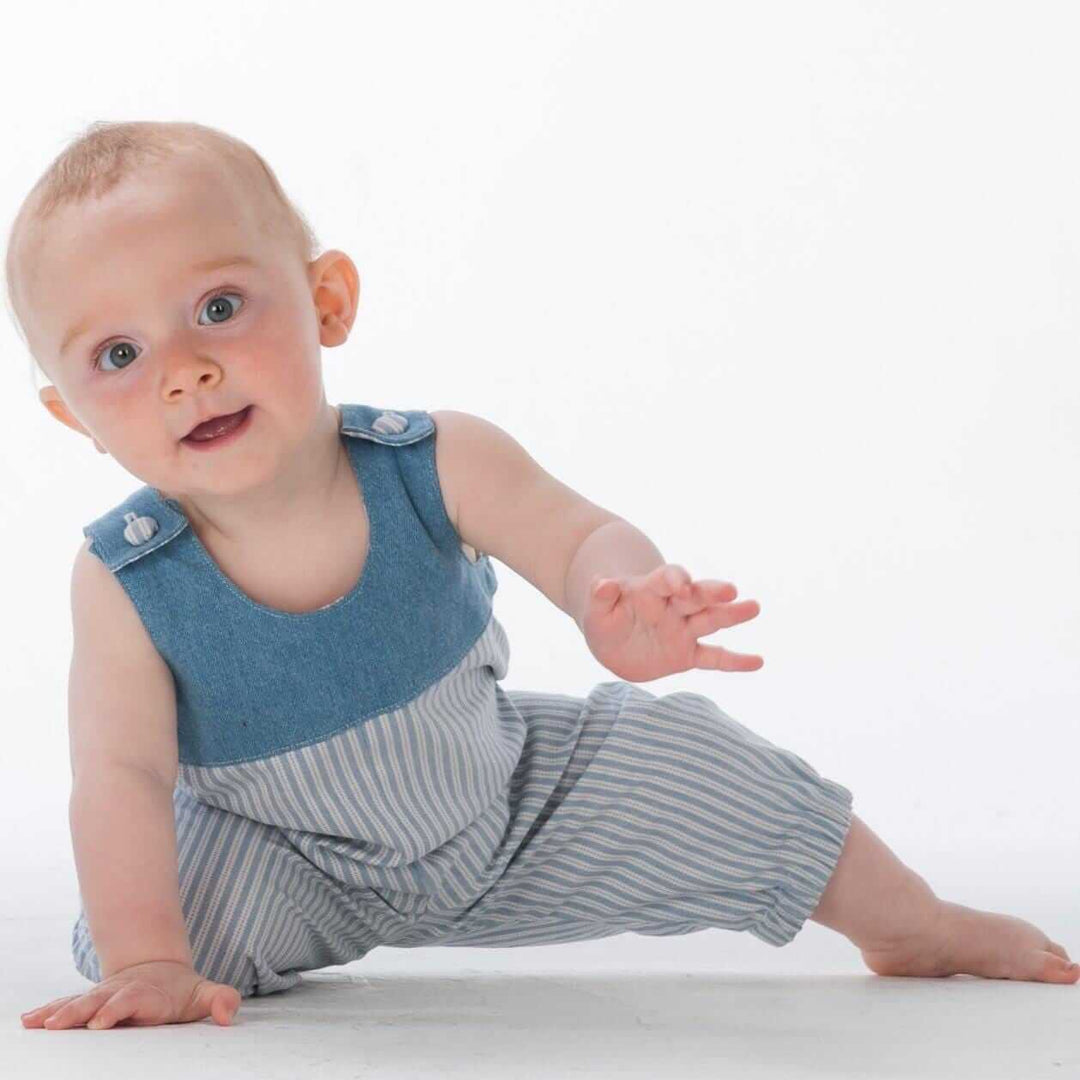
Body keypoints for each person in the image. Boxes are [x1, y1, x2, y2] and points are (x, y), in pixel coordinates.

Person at [9, 121, 1077, 1033]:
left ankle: (912, 922)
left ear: (326, 299)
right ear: (70, 413)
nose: (185, 372)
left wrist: (620, 599)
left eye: (219, 308)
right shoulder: (125, 580)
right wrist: (150, 957)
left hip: (512, 801)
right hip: (286, 860)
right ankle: (160, 963)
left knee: (705, 767)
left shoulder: (433, 460)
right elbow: (124, 776)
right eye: (118, 356)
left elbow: (578, 538)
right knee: (136, 923)